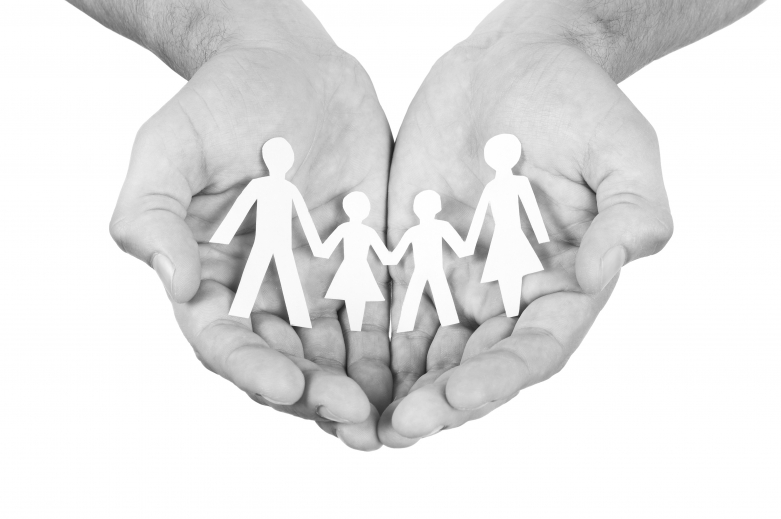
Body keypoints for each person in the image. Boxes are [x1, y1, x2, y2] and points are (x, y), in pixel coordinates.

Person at [68, 0, 767, 450]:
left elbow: (499, 221)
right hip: (297, 252)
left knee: (452, 281)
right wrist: (236, 35)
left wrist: (575, 33)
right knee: (276, 275)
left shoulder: (485, 199)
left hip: (430, 259)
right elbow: (301, 228)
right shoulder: (279, 198)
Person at [210, 137, 323, 327]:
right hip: (264, 240)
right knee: (257, 271)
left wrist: (317, 246)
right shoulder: (261, 185)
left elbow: (304, 217)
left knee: (287, 276)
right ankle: (240, 310)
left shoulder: (289, 189)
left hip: (281, 242)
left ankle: (298, 317)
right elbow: (240, 208)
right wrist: (223, 234)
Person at [465, 134, 550, 318]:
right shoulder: (491, 187)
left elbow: (532, 209)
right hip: (502, 236)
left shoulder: (520, 182)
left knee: (516, 271)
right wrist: (469, 244)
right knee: (506, 273)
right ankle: (513, 311)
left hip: (514, 234)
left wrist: (542, 235)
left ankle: (516, 309)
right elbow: (479, 215)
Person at [388, 190, 471, 333]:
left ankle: (408, 326)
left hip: (430, 271)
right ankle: (409, 325)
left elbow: (393, 257)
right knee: (420, 299)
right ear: (437, 208)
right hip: (428, 271)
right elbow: (462, 249)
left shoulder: (418, 230)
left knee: (416, 299)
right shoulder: (435, 228)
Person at [319, 192, 392, 332]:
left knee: (354, 300)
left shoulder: (346, 229)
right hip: (358, 269)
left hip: (351, 268)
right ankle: (355, 328)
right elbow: (386, 257)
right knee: (356, 301)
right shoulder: (367, 231)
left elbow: (324, 251)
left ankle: (354, 328)